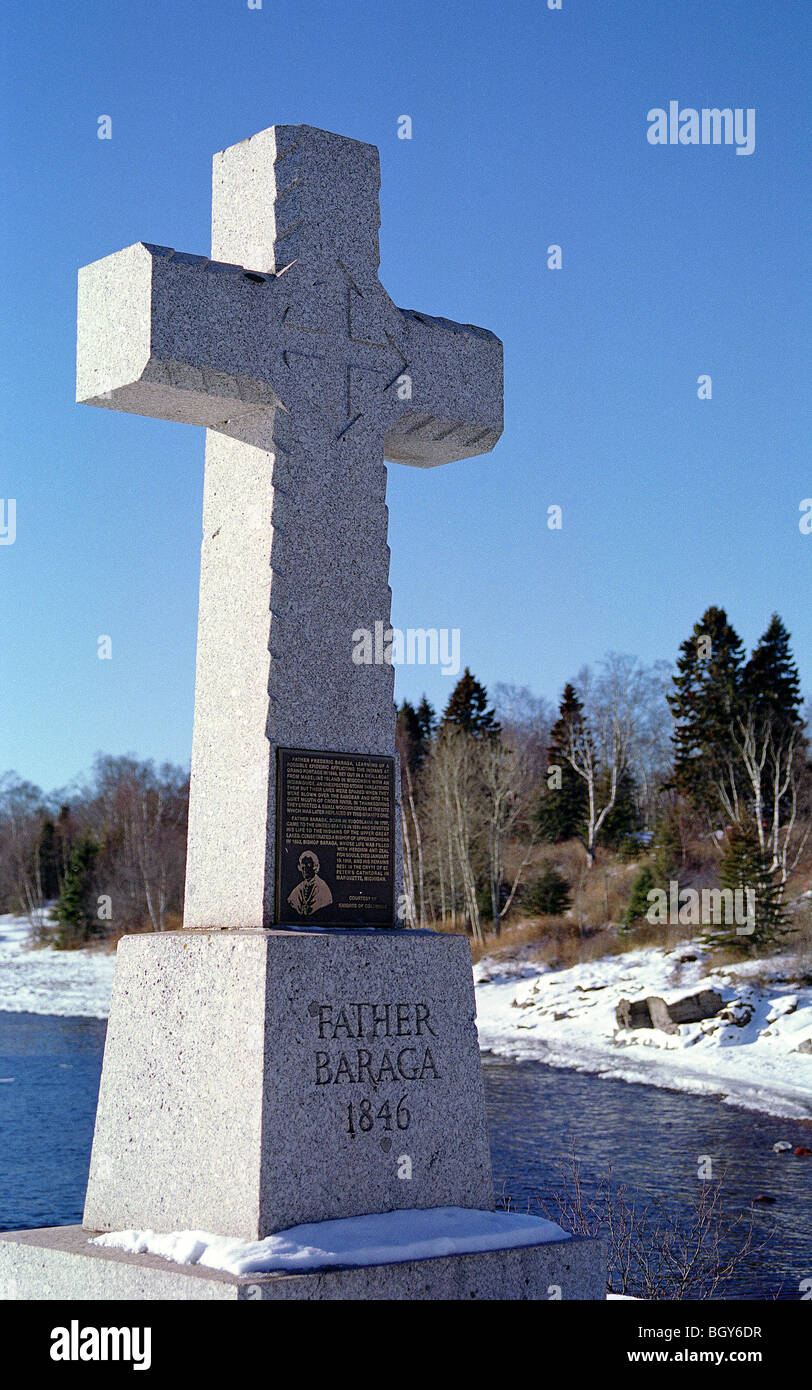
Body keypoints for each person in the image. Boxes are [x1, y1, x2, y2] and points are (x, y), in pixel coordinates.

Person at [287, 850, 333, 917]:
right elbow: (291, 901)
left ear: (314, 867)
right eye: (303, 867)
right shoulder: (299, 888)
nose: (305, 870)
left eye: (308, 866)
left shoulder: (323, 887)